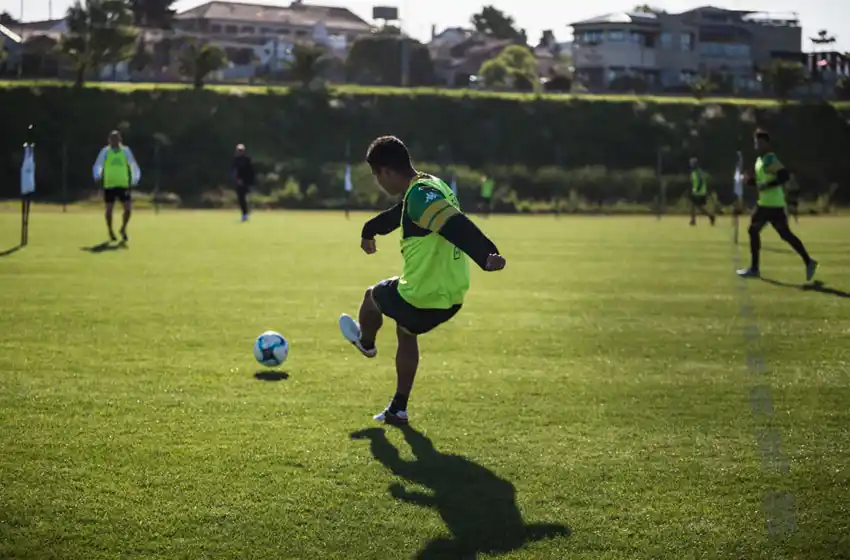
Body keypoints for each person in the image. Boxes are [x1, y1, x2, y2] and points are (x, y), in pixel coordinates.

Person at [339, 136, 506, 425]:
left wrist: (486, 254)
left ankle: (365, 342)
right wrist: (370, 230)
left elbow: (455, 225)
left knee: (372, 296)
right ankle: (398, 409)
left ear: (387, 172)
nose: (378, 182)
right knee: (406, 331)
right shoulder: (431, 186)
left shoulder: (419, 195)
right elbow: (401, 214)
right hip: (452, 297)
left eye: (376, 175)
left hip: (419, 296)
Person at [737, 129, 817, 280]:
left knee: (753, 231)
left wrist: (766, 185)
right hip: (772, 204)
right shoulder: (760, 160)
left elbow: (784, 176)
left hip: (769, 205)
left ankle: (754, 269)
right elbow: (761, 182)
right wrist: (748, 180)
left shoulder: (769, 159)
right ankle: (809, 261)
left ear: (767, 144)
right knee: (785, 234)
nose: (758, 145)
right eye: (756, 143)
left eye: (761, 143)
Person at [93, 130, 140, 243]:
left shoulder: (125, 151)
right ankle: (110, 230)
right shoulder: (105, 151)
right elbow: (98, 164)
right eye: (112, 139)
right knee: (109, 209)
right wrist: (97, 176)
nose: (114, 141)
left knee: (128, 209)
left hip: (123, 184)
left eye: (116, 139)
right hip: (109, 184)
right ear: (109, 140)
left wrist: (135, 178)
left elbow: (133, 165)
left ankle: (123, 228)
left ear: (120, 140)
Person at [232, 144, 255, 222]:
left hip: (247, 182)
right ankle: (244, 214)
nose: (239, 152)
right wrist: (237, 180)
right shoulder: (235, 160)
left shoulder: (247, 160)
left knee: (248, 198)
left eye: (241, 150)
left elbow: (251, 171)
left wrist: (250, 182)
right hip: (239, 182)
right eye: (238, 150)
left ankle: (248, 210)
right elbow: (235, 171)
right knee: (241, 198)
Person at [689, 157, 715, 226]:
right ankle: (693, 220)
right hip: (696, 192)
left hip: (699, 192)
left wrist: (697, 188)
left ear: (695, 164)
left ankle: (710, 216)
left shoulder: (698, 172)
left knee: (699, 207)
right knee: (694, 206)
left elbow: (700, 180)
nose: (691, 165)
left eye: (692, 163)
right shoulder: (694, 172)